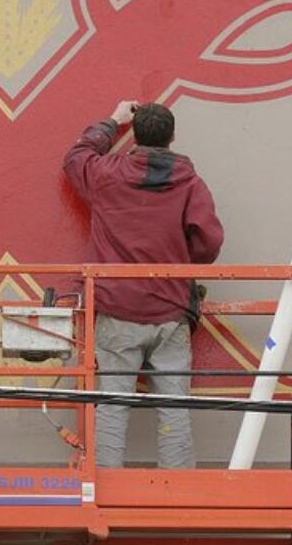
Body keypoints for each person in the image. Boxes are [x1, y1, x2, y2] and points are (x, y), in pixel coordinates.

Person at [62, 101, 224, 469]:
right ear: (173, 138)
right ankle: (178, 491)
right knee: (175, 409)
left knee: (112, 407)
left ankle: (104, 491)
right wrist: (181, 259)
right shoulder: (189, 183)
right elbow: (209, 243)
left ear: (134, 134)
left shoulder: (106, 174)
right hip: (169, 310)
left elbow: (76, 157)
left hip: (117, 309)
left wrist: (112, 121)